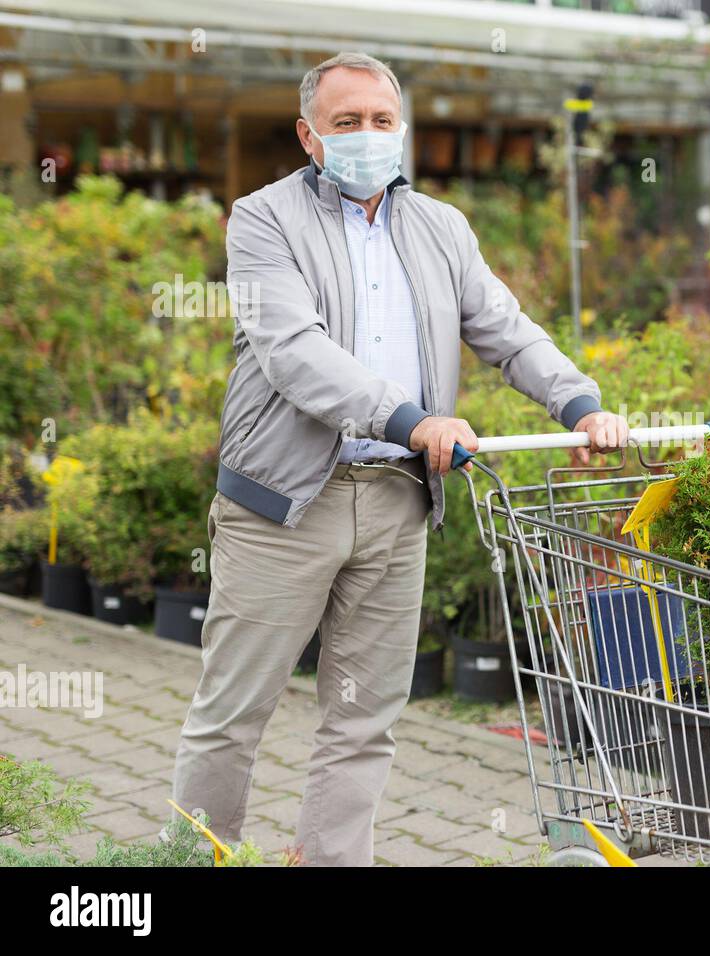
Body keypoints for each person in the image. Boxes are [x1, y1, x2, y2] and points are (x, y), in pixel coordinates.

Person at [171, 51, 628, 866]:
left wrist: (580, 404)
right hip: (284, 502)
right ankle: (187, 860)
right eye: (347, 123)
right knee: (233, 713)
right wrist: (412, 418)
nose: (367, 136)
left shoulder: (441, 228)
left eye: (382, 121)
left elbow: (505, 330)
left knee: (364, 719)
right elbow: (291, 350)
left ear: (403, 130)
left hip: (396, 502)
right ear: (310, 137)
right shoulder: (262, 219)